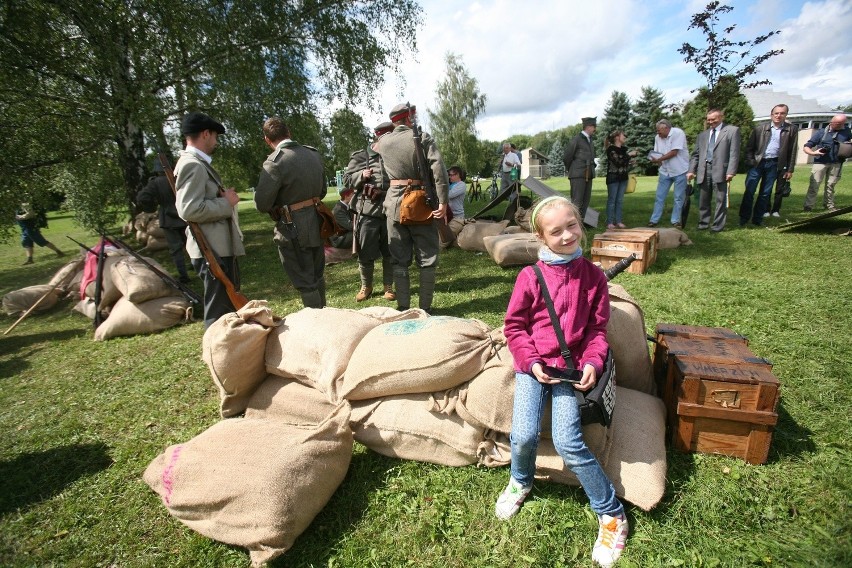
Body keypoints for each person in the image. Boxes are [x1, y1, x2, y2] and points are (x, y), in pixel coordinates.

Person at [496, 195, 627, 568]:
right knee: (522, 435)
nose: (568, 235)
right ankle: (520, 481)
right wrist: (530, 361)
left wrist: (592, 362)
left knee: (569, 440)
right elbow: (515, 327)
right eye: (556, 231)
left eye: (572, 225)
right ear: (541, 236)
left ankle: (611, 513)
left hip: (569, 370)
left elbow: (597, 331)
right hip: (534, 367)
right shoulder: (530, 277)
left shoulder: (593, 277)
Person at [375, 102, 449, 313]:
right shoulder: (422, 137)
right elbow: (439, 170)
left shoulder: (383, 143)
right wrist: (443, 201)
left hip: (394, 206)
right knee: (427, 259)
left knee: (399, 260)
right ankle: (425, 309)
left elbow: (383, 177)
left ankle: (403, 308)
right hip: (420, 205)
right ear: (409, 119)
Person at [174, 112, 245, 328]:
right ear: (205, 134)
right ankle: (215, 357)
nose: (216, 142)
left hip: (215, 247)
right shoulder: (193, 165)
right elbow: (188, 208)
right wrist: (227, 203)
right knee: (217, 311)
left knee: (225, 308)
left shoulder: (197, 164)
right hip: (210, 249)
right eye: (215, 136)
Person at [254, 116, 327, 309]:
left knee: (306, 281)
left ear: (267, 140)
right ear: (289, 133)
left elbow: (262, 203)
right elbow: (323, 192)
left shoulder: (275, 162)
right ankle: (327, 320)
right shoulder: (313, 154)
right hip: (318, 220)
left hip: (293, 225)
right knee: (317, 275)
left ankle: (317, 328)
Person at [343, 121, 396, 302]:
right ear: (378, 136)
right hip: (367, 211)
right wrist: (360, 176)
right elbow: (347, 180)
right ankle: (366, 286)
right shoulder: (361, 156)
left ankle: (388, 286)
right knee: (365, 252)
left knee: (390, 251)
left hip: (390, 210)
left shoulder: (395, 155)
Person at [739, 104, 799, 225]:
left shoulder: (791, 129)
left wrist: (790, 169)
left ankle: (757, 219)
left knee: (765, 193)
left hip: (774, 164)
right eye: (776, 113)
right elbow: (749, 148)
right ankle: (744, 218)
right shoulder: (760, 128)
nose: (778, 115)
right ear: (771, 115)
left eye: (782, 113)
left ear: (786, 115)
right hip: (758, 163)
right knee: (749, 191)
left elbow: (792, 150)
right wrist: (751, 161)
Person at [137, 162, 192, 282]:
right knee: (191, 244)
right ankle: (197, 266)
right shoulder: (178, 178)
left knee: (176, 249)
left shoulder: (155, 182)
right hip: (184, 216)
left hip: (168, 219)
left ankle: (184, 275)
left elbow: (142, 197)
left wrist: (152, 206)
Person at [687, 109, 741, 232]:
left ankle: (717, 226)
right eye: (709, 120)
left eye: (713, 119)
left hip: (722, 170)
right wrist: (691, 170)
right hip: (704, 170)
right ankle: (703, 223)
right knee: (703, 199)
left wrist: (731, 171)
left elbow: (734, 153)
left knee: (720, 200)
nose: (711, 122)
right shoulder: (703, 135)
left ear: (721, 117)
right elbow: (696, 155)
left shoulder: (732, 131)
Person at [802, 113, 850, 212]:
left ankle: (829, 206)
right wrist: (813, 153)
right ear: (832, 122)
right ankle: (808, 206)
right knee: (814, 185)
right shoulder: (821, 132)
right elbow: (807, 145)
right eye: (838, 123)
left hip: (837, 163)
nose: (841, 126)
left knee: (831, 185)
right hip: (820, 162)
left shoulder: (846, 131)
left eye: (842, 124)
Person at [647, 119, 690, 228]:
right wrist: (657, 160)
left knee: (678, 197)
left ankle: (675, 220)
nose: (658, 133)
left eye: (659, 131)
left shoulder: (678, 133)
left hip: (680, 170)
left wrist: (659, 159)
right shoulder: (658, 137)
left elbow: (674, 152)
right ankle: (654, 220)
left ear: (666, 128)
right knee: (659, 196)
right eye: (657, 131)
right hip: (665, 171)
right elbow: (657, 152)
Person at [563, 117, 597, 220]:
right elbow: (567, 157)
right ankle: (573, 224)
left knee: (585, 201)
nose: (595, 129)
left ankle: (580, 225)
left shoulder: (590, 140)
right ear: (588, 127)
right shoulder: (577, 139)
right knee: (576, 202)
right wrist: (574, 169)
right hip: (578, 175)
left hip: (589, 174)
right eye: (594, 126)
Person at [603, 130, 636, 229]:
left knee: (620, 200)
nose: (625, 136)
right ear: (617, 137)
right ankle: (610, 222)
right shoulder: (611, 149)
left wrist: (630, 163)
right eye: (623, 135)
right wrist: (629, 155)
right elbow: (617, 161)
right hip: (613, 178)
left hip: (623, 178)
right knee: (612, 200)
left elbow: (623, 163)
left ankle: (618, 221)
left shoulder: (623, 150)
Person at [328, 187, 354, 251]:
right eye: (353, 195)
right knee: (362, 231)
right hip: (338, 240)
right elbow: (351, 226)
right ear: (346, 196)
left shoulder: (348, 206)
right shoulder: (338, 210)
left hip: (346, 234)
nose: (355, 198)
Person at [447, 165, 467, 237]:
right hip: (448, 215)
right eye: (450, 175)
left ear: (459, 175)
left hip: (457, 216)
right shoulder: (450, 185)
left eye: (453, 175)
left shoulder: (461, 185)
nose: (450, 177)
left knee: (449, 235)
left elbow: (449, 195)